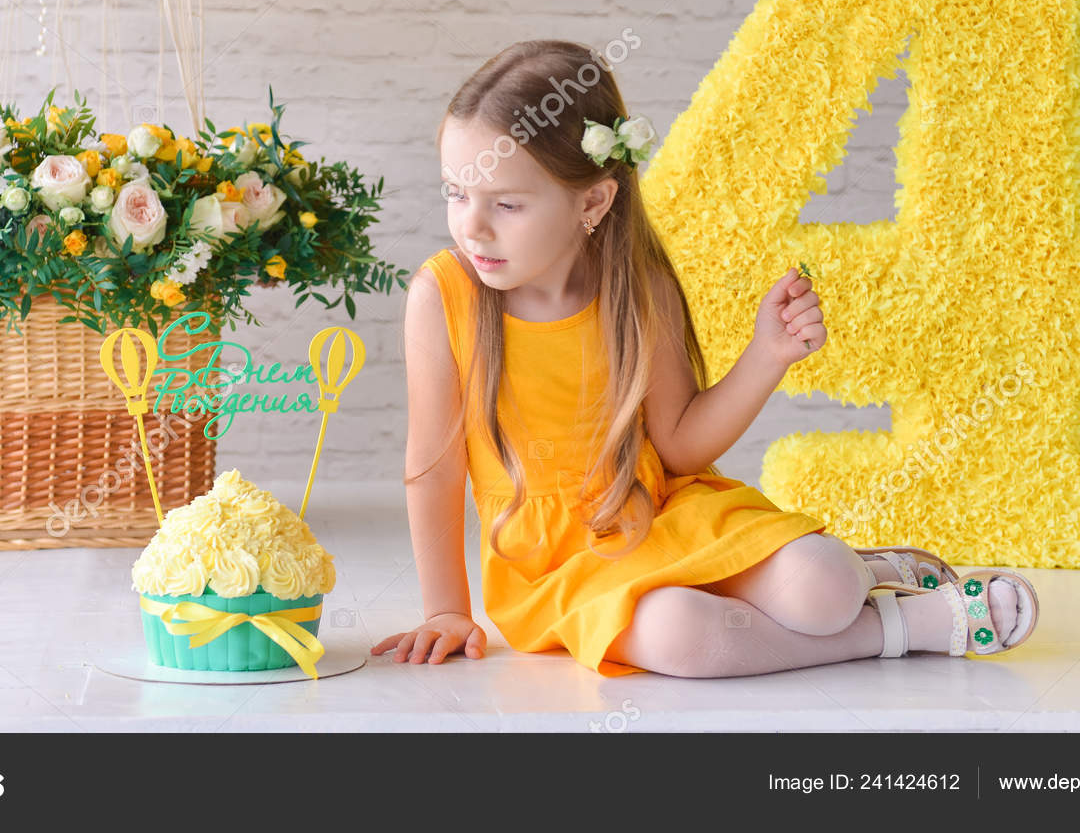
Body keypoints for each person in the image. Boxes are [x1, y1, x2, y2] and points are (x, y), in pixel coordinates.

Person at [371, 40, 1038, 677]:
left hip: (660, 512)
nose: (472, 225)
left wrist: (766, 355)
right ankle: (904, 631)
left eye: (505, 203)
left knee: (824, 586)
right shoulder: (445, 297)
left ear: (593, 201)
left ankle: (866, 572)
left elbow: (682, 447)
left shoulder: (638, 286)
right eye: (456, 194)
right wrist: (448, 610)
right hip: (551, 566)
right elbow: (432, 470)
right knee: (684, 637)